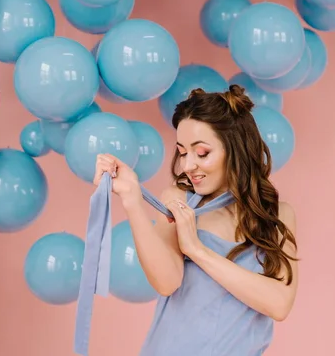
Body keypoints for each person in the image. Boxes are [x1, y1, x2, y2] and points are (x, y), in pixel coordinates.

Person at [93, 84, 299, 355]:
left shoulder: (278, 216)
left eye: (201, 153)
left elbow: (278, 303)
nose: (188, 165)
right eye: (182, 151)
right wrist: (131, 200)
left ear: (235, 148)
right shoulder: (178, 199)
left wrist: (196, 250)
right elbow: (166, 282)